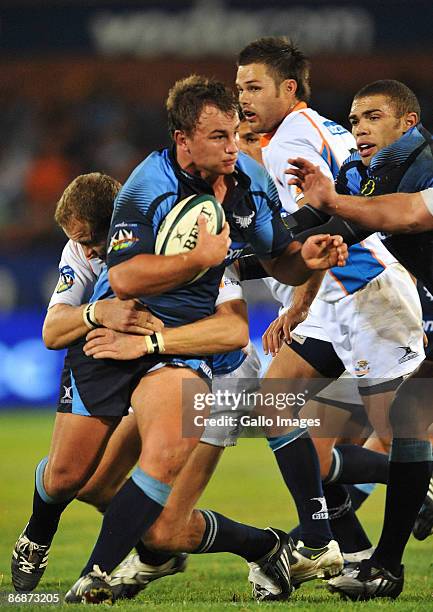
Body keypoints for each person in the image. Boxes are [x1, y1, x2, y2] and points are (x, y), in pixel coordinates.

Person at [14, 76, 346, 605]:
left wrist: (307, 259)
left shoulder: (248, 182)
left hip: (180, 353)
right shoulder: (147, 186)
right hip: (113, 341)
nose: (233, 147)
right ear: (182, 139)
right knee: (75, 478)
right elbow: (123, 279)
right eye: (218, 137)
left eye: (234, 133)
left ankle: (96, 575)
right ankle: (43, 533)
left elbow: (274, 262)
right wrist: (195, 262)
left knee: (171, 457)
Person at [236, 39, 421, 578]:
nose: (243, 98)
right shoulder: (308, 131)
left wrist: (292, 294)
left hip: (367, 293)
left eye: (253, 87)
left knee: (401, 433)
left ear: (287, 89)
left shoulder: (288, 141)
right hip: (336, 293)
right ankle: (324, 543)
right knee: (276, 408)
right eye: (240, 87)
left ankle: (367, 548)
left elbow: (321, 230)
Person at [287, 79, 433, 600]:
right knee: (409, 420)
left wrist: (334, 205)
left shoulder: (428, 167)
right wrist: (249, 240)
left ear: (407, 123)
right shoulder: (361, 175)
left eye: (373, 116)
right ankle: (385, 567)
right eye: (353, 120)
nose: (359, 128)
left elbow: (408, 214)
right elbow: (322, 222)